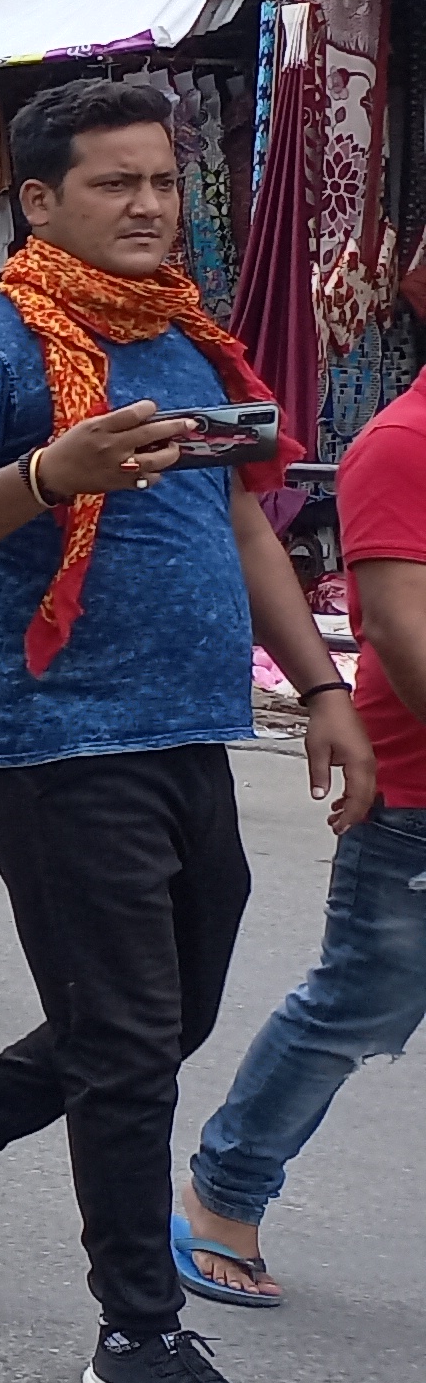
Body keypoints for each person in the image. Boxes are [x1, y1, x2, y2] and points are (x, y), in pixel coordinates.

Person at [0, 77, 366, 1383]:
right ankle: (140, 1330)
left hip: (192, 729)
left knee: (165, 1019)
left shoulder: (190, 342)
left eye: (161, 181)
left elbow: (244, 526)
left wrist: (319, 685)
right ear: (41, 199)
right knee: (132, 1038)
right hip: (55, 741)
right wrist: (51, 475)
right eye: (115, 182)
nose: (147, 205)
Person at [174, 307, 426, 1310]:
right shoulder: (401, 444)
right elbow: (404, 641)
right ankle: (220, 1199)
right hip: (414, 798)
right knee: (349, 1010)